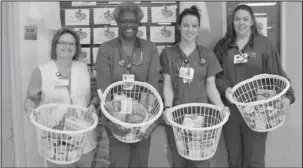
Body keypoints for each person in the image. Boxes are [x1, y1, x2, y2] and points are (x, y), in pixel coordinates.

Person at [213, 4, 296, 168]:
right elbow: (215, 76)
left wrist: (287, 96)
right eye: (237, 19)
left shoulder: (264, 44)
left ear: (252, 22)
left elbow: (276, 73)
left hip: (258, 111)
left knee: (255, 160)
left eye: (245, 19)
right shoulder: (223, 46)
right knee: (234, 159)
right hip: (232, 110)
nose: (241, 23)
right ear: (232, 22)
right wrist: (225, 89)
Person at [94, 1, 161, 167]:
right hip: (116, 119)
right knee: (119, 163)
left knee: (140, 163)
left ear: (139, 23)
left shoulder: (149, 48)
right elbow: (103, 91)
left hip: (143, 119)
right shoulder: (106, 49)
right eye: (124, 21)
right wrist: (111, 123)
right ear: (117, 23)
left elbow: (153, 88)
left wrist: (150, 123)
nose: (129, 24)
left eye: (133, 20)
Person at [160, 6, 227, 168]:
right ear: (179, 27)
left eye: (194, 25)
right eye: (186, 25)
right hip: (176, 117)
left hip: (201, 118)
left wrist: (221, 107)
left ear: (198, 29)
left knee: (200, 162)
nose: (190, 29)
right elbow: (167, 85)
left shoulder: (207, 55)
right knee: (177, 160)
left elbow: (211, 86)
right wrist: (168, 108)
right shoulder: (168, 54)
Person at [24, 27, 98, 168]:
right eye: (62, 42)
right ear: (55, 45)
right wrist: (30, 109)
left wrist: (93, 105)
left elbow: (94, 95)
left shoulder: (84, 69)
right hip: (55, 140)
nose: (67, 46)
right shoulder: (41, 71)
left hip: (84, 138)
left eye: (71, 44)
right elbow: (31, 99)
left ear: (76, 48)